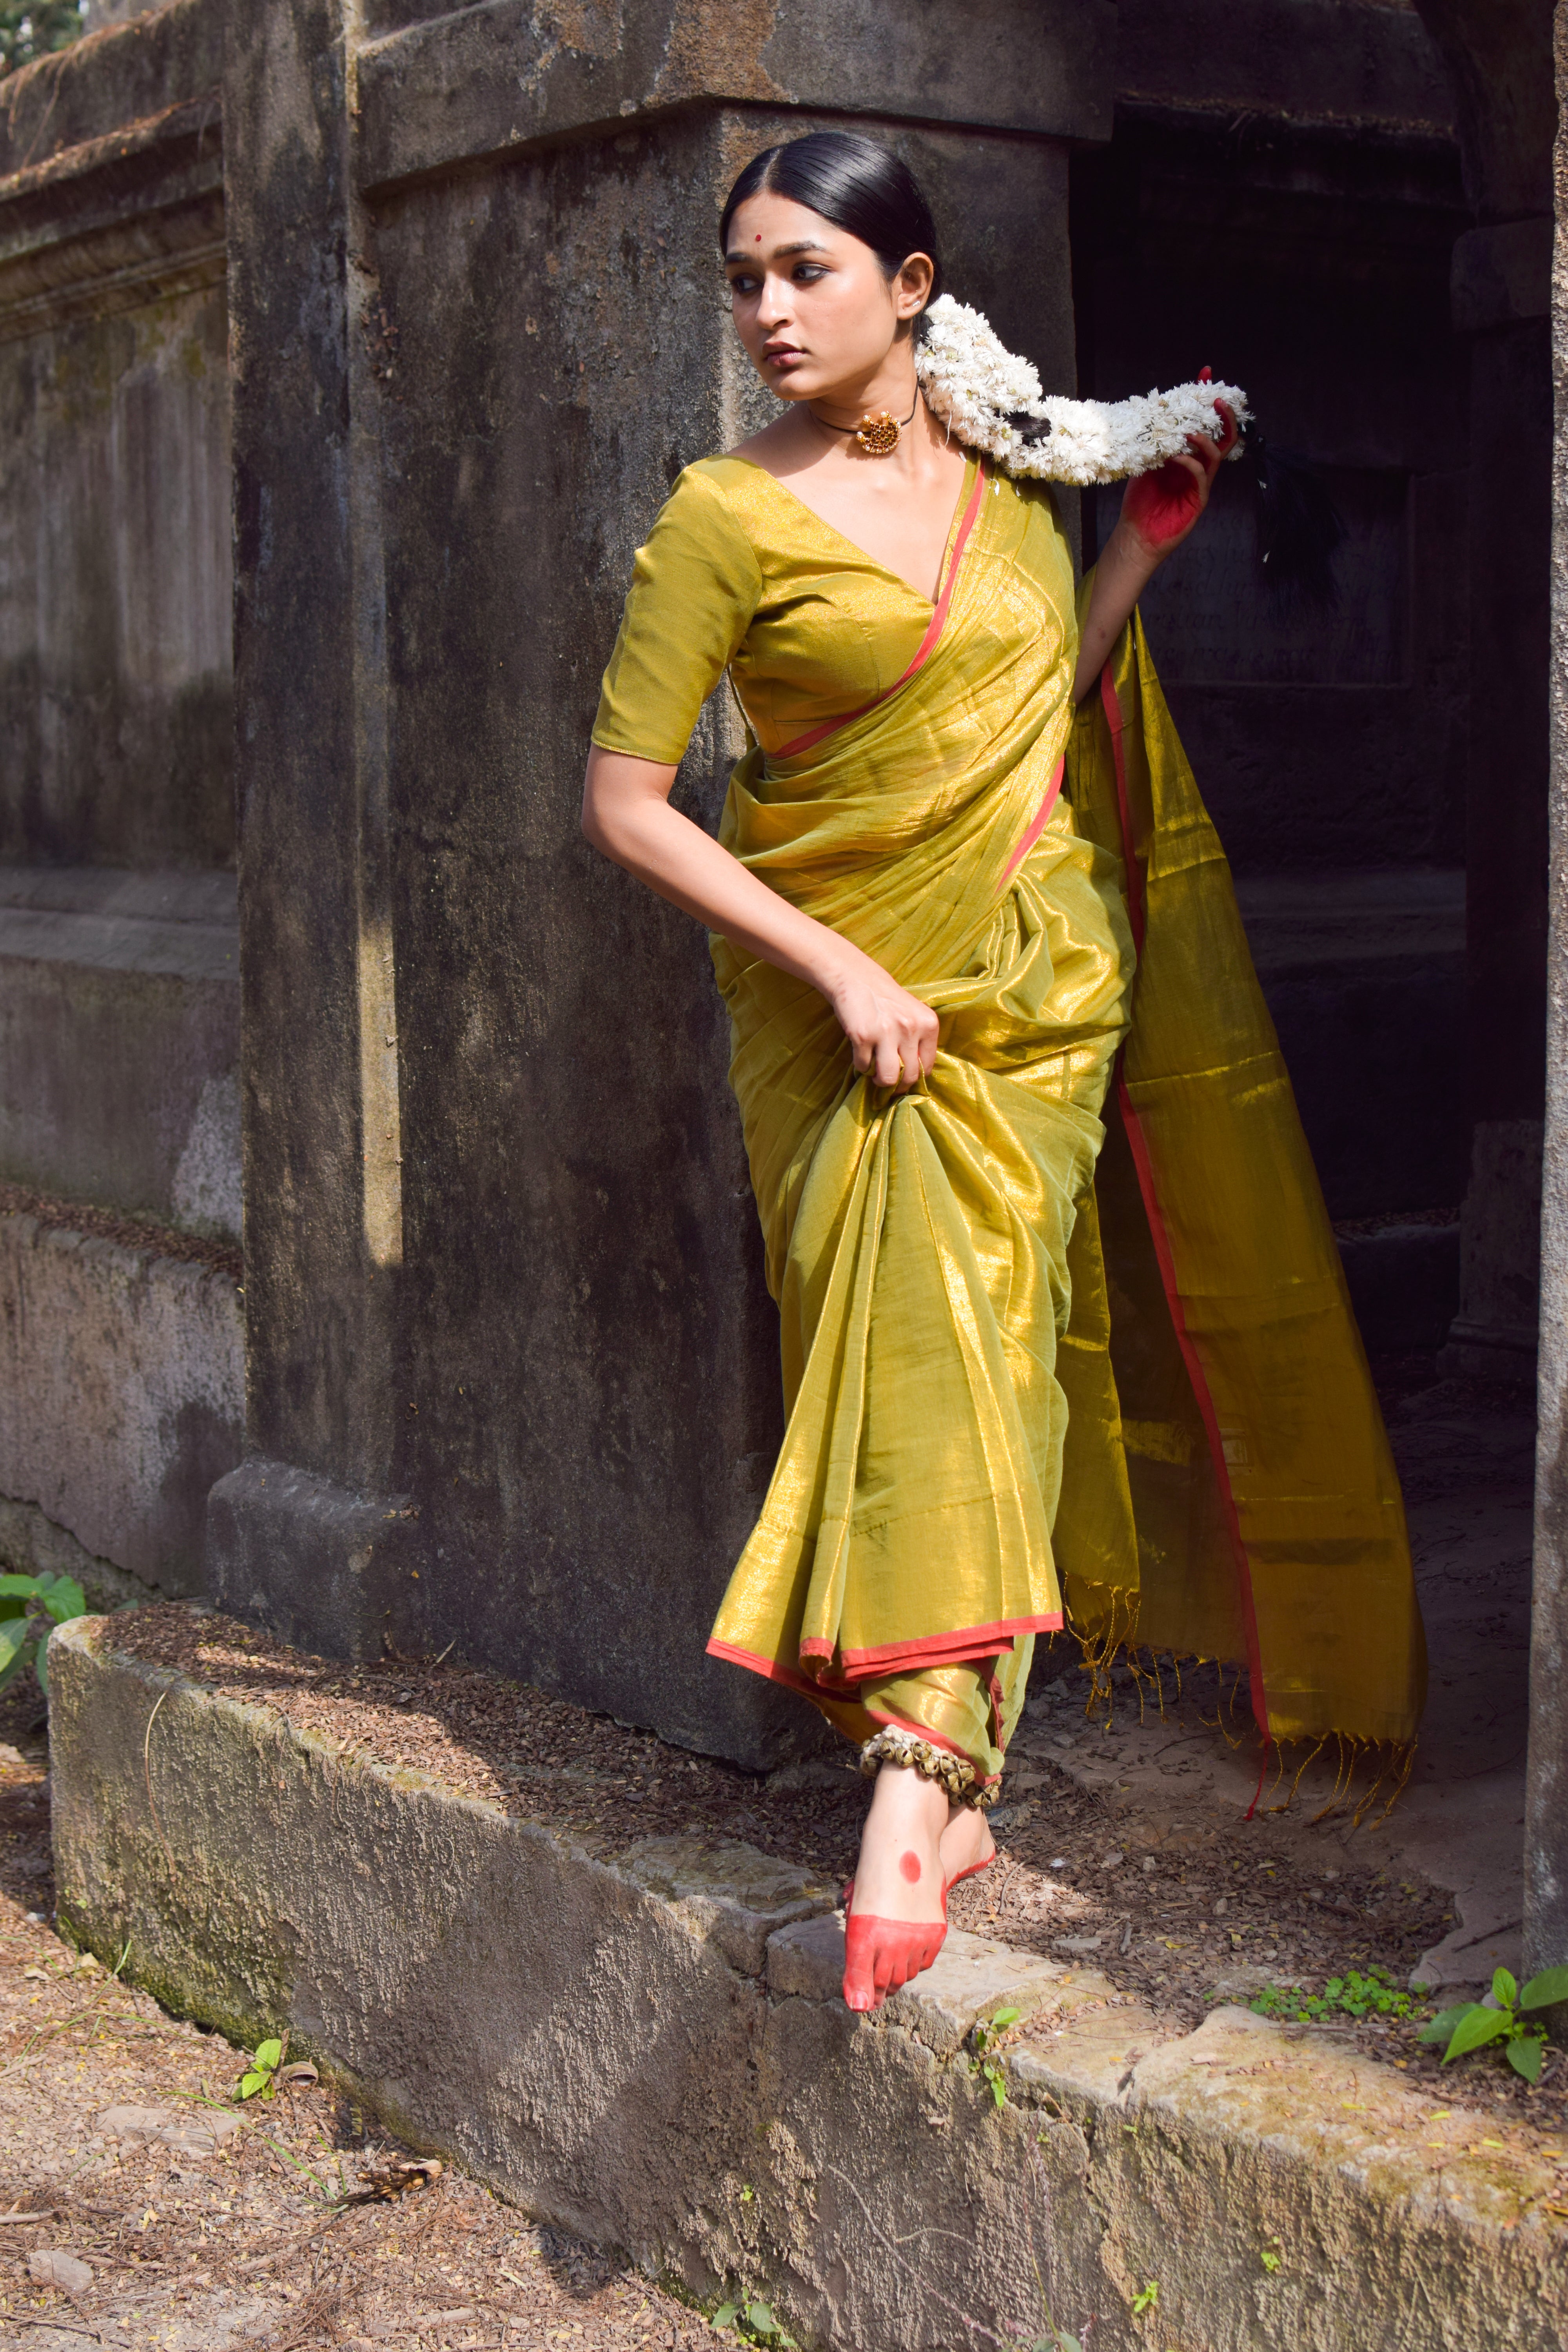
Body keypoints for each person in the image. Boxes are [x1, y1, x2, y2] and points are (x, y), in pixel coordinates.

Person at [583, 132, 1424, 2013]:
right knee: (914, 1337)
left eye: (805, 270)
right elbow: (625, 804)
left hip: (1035, 977)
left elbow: (1043, 716)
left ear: (912, 282)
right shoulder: (721, 514)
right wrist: (836, 962)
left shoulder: (1012, 489)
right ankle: (934, 1781)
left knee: (993, 1323)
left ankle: (915, 1778)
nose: (767, 311)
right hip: (838, 1000)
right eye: (743, 279)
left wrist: (1130, 555)